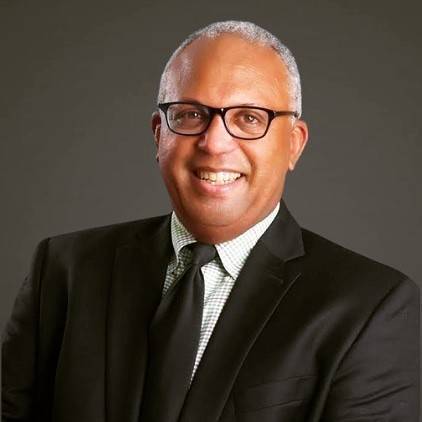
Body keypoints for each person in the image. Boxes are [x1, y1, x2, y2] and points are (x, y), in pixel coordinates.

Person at [2, 20, 419, 422]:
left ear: (294, 145)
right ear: (158, 134)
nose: (215, 143)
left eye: (249, 118)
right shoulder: (65, 271)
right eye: (190, 115)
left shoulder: (370, 306)